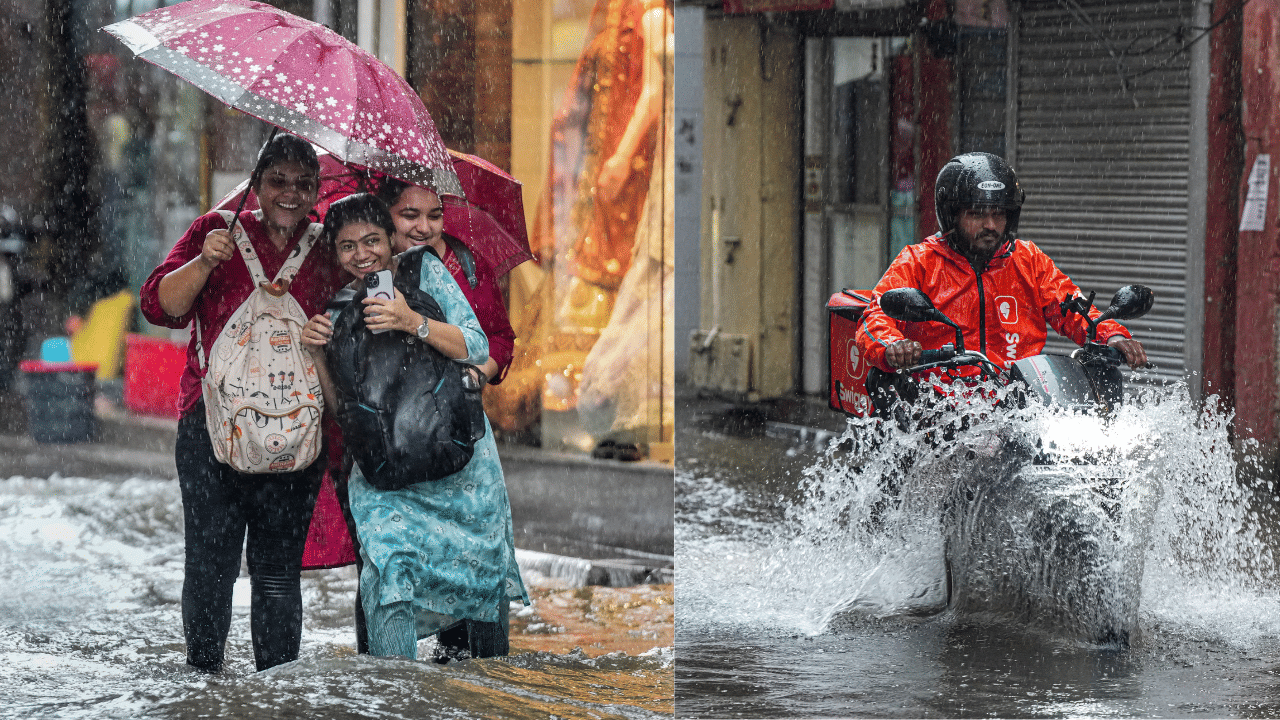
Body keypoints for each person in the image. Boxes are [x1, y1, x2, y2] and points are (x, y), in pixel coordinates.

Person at [139, 132, 346, 672]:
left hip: (299, 437)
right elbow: (160, 306)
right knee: (210, 565)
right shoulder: (216, 231)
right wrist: (205, 263)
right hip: (209, 432)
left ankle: (272, 691)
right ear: (254, 186)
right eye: (277, 181)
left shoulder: (332, 248)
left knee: (278, 570)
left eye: (304, 184)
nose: (290, 194)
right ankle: (205, 685)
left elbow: (361, 325)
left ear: (318, 190)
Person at [300, 193, 528, 661]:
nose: (362, 255)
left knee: (480, 573)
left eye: (371, 241)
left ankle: (491, 693)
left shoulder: (427, 271)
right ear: (336, 253)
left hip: (458, 458)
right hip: (385, 470)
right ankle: (393, 698)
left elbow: (477, 344)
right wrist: (316, 351)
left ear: (390, 239)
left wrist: (411, 320)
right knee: (388, 569)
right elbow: (339, 408)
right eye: (347, 246)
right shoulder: (338, 308)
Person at [856, 152, 1148, 376]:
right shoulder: (919, 262)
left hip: (1020, 404)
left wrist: (1112, 334)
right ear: (951, 215)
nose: (991, 225)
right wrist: (894, 346)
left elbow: (1072, 307)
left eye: (999, 214)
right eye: (976, 214)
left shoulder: (1029, 260)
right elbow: (875, 317)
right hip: (941, 406)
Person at [374, 178, 515, 384]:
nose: (424, 227)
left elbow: (500, 338)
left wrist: (473, 377)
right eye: (410, 215)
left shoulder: (468, 263)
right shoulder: (366, 264)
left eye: (435, 216)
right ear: (385, 216)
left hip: (453, 402)